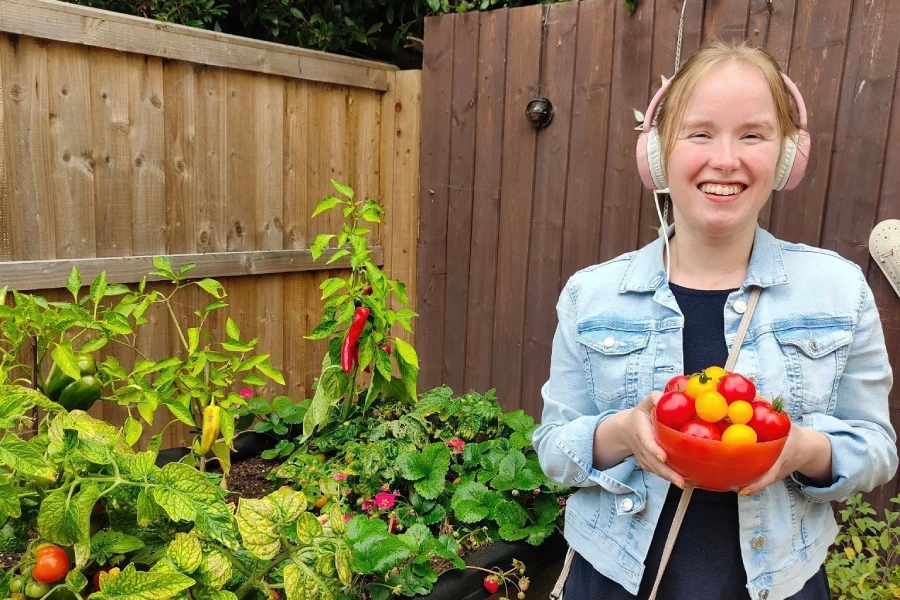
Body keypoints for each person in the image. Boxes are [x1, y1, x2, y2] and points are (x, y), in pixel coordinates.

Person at [533, 39, 898, 600]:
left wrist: (805, 450)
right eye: (699, 132)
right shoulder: (592, 296)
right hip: (615, 581)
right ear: (657, 153)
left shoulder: (838, 291)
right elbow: (555, 449)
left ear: (785, 157)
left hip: (779, 583)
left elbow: (877, 448)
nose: (725, 159)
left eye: (752, 134)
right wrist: (623, 434)